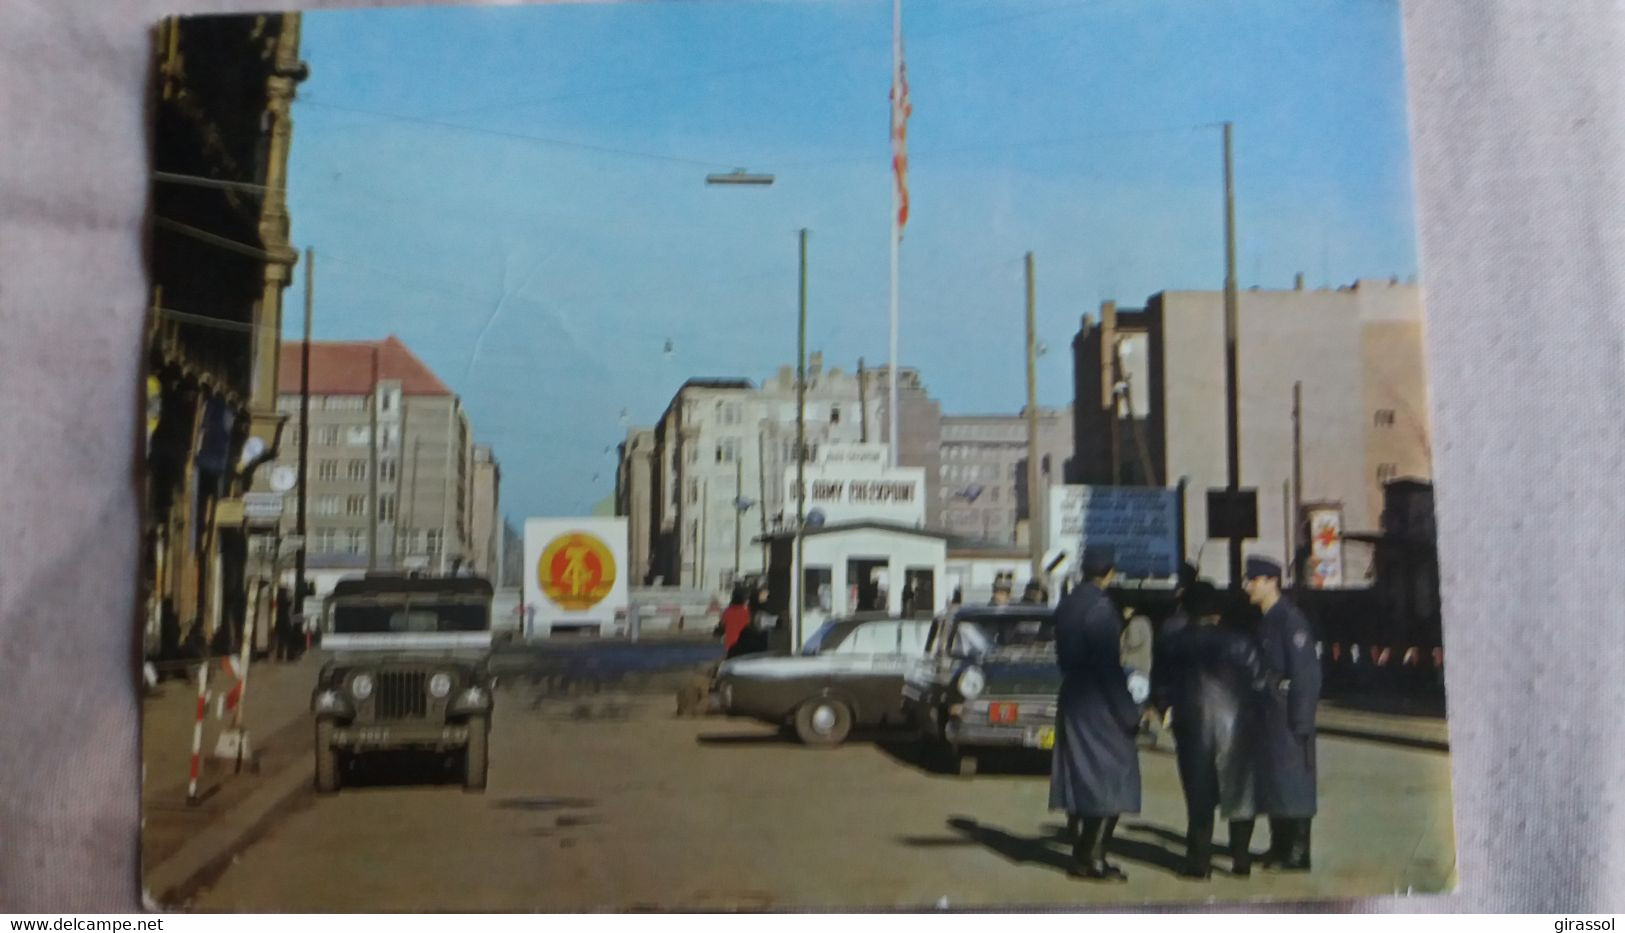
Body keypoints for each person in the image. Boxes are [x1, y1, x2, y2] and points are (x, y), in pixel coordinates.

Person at [1157, 582, 1265, 879]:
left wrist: (1168, 712)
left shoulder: (1173, 643)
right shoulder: (1241, 642)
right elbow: (1259, 684)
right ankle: (1240, 860)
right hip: (1237, 726)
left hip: (1193, 726)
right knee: (1240, 796)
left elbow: (1160, 688)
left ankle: (1199, 862)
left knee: (1199, 799)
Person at [1049, 545, 1142, 881]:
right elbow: (1108, 667)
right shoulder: (1101, 609)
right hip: (1099, 702)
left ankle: (1082, 856)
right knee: (1112, 779)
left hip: (1073, 696)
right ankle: (1094, 859)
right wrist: (1129, 714)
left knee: (1085, 782)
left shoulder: (1068, 604)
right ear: (1109, 574)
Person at [1242, 555, 1321, 872]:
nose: (1249, 586)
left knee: (1295, 783)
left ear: (1272, 581)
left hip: (1288, 715)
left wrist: (1301, 720)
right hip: (1269, 715)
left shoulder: (1290, 621)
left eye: (1255, 580)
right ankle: (1279, 847)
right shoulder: (1267, 619)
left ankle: (1298, 853)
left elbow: (1306, 674)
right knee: (1275, 782)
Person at [1119, 604, 1157, 743]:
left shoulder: (1136, 622)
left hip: (1133, 667)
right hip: (1141, 668)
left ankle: (1134, 727)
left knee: (1133, 700)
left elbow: (1133, 641)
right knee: (1140, 699)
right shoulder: (1145, 622)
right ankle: (1141, 725)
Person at [717, 586, 753, 659]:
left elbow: (722, 625)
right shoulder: (747, 612)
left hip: (730, 644)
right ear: (744, 599)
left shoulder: (727, 611)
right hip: (744, 643)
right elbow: (750, 625)